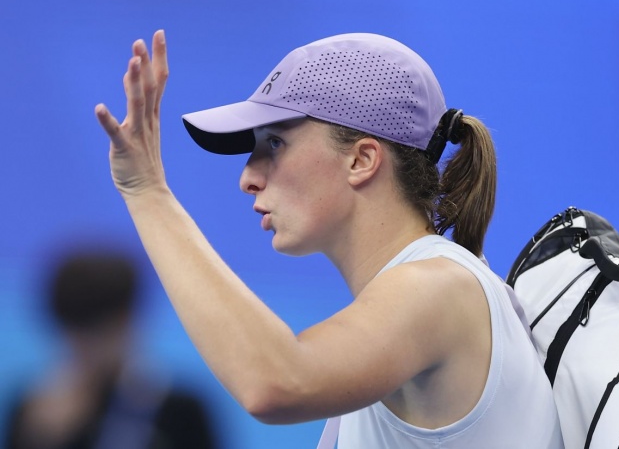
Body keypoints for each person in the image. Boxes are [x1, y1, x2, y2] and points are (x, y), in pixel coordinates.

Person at [94, 31, 563, 447]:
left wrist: (148, 193)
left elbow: (275, 381)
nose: (248, 178)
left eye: (274, 143)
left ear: (361, 160)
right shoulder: (429, 287)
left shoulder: (438, 286)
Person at [4, 250, 218, 449]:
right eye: (78, 333)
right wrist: (42, 439)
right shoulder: (33, 411)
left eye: (101, 332)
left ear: (128, 320)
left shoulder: (180, 411)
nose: (89, 347)